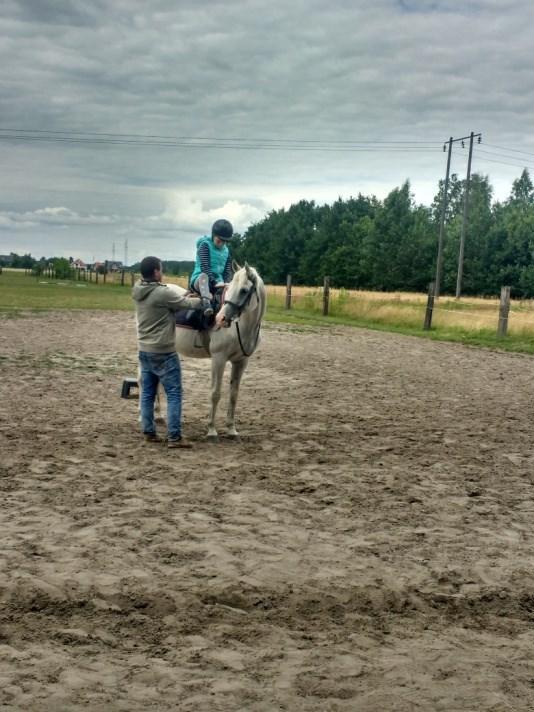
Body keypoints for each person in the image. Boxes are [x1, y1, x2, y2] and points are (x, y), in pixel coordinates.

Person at [132, 256, 203, 448]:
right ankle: (174, 437)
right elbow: (187, 305)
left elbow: (175, 301)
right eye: (161, 269)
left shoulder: (138, 289)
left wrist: (184, 296)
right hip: (164, 352)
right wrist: (204, 299)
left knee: (147, 393)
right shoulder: (162, 293)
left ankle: (149, 432)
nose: (162, 272)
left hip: (144, 349)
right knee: (174, 393)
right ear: (156, 272)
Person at [190, 219, 234, 316]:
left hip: (219, 282)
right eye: (219, 240)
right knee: (203, 276)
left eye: (224, 242)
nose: (222, 244)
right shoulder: (205, 246)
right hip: (201, 280)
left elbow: (227, 270)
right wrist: (214, 282)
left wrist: (226, 282)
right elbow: (205, 266)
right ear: (213, 235)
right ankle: (206, 303)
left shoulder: (227, 252)